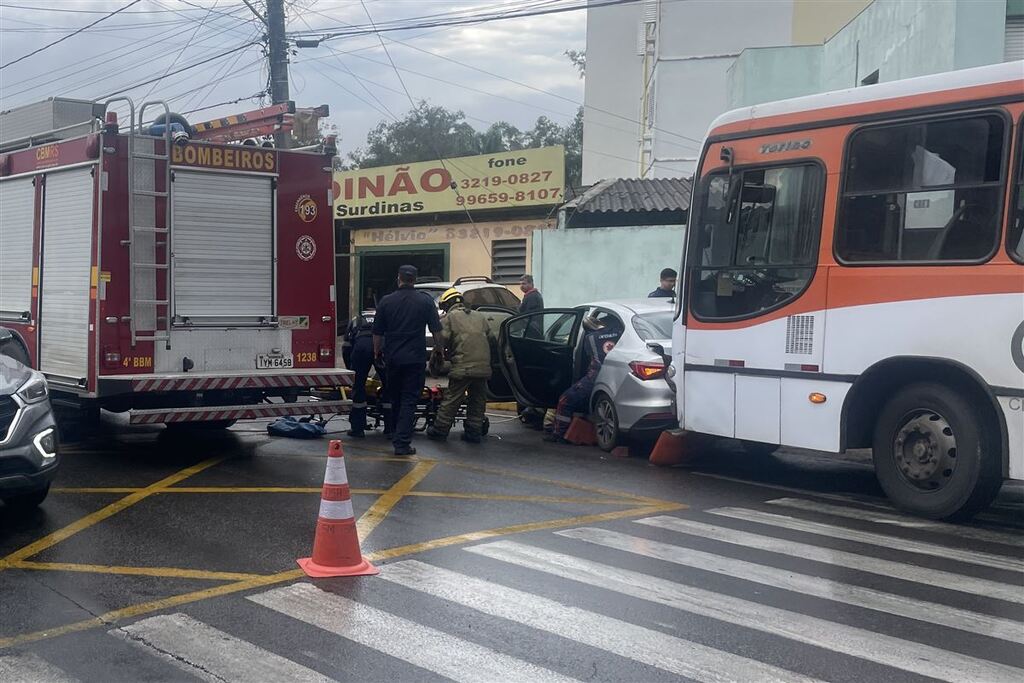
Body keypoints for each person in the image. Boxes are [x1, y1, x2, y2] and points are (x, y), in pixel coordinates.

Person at [372, 265, 443, 455]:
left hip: (393, 358)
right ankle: (401, 443)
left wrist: (376, 352)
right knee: (409, 400)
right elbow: (437, 330)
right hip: (415, 359)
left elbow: (377, 333)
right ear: (415, 280)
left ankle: (396, 434)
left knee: (394, 398)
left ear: (399, 279)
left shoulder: (386, 302)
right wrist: (439, 351)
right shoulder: (425, 302)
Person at [426, 288, 495, 444]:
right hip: (483, 367)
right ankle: (474, 432)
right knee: (477, 400)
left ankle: (440, 430)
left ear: (448, 304)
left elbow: (440, 341)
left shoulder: (449, 318)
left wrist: (436, 361)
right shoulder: (479, 316)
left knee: (452, 399)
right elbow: (491, 339)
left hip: (463, 367)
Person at [544, 316, 621, 443]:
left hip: (596, 376)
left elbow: (590, 358)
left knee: (565, 400)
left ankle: (558, 433)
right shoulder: (618, 333)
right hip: (616, 375)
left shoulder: (590, 337)